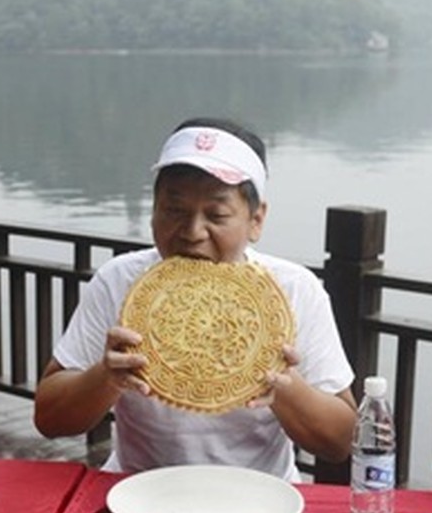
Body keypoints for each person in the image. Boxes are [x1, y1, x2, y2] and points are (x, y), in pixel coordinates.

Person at [33, 117, 357, 480]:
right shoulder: (120, 281)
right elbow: (49, 419)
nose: (192, 232)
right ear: (153, 210)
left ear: (256, 220)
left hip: (260, 496)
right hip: (139, 489)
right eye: (174, 211)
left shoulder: (295, 290)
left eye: (216, 215)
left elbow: (341, 442)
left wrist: (286, 388)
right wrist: (106, 377)